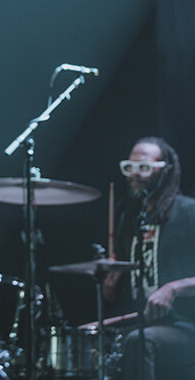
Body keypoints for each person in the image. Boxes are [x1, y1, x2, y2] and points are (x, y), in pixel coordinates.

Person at [103, 137, 195, 379]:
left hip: (186, 326)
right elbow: (116, 291)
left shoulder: (189, 213)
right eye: (129, 167)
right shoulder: (130, 219)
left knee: (139, 342)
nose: (135, 174)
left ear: (166, 170)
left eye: (144, 167)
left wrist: (174, 288)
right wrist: (110, 289)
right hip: (141, 324)